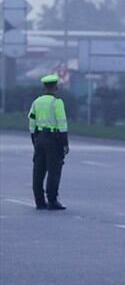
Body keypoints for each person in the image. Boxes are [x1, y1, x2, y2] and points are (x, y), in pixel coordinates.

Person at [28, 74, 69, 210]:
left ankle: (39, 201)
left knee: (38, 169)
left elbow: (31, 121)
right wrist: (65, 143)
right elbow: (62, 124)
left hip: (39, 138)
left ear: (44, 87)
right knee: (54, 170)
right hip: (53, 139)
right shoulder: (57, 103)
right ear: (55, 86)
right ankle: (52, 200)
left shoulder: (36, 102)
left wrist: (34, 138)